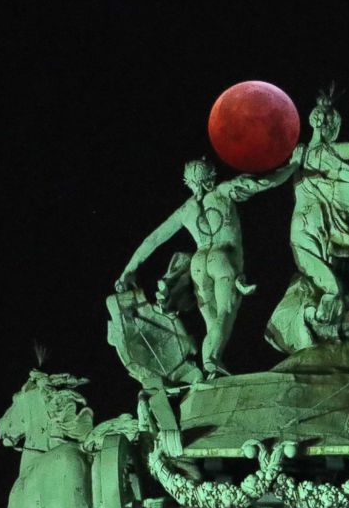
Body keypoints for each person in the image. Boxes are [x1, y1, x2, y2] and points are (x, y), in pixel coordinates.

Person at [116, 158, 290, 376]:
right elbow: (263, 183)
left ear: (188, 182)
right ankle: (211, 360)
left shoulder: (186, 209)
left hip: (199, 263)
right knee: (226, 312)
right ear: (211, 177)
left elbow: (154, 239)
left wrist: (128, 270)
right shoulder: (224, 191)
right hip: (223, 258)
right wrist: (292, 166)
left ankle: (211, 367)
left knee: (212, 322)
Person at [265, 91, 349, 353]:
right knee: (328, 284)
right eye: (324, 121)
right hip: (305, 227)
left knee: (330, 279)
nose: (325, 125)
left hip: (327, 229)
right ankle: (311, 322)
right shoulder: (301, 152)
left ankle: (320, 324)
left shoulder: (328, 151)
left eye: (327, 121)